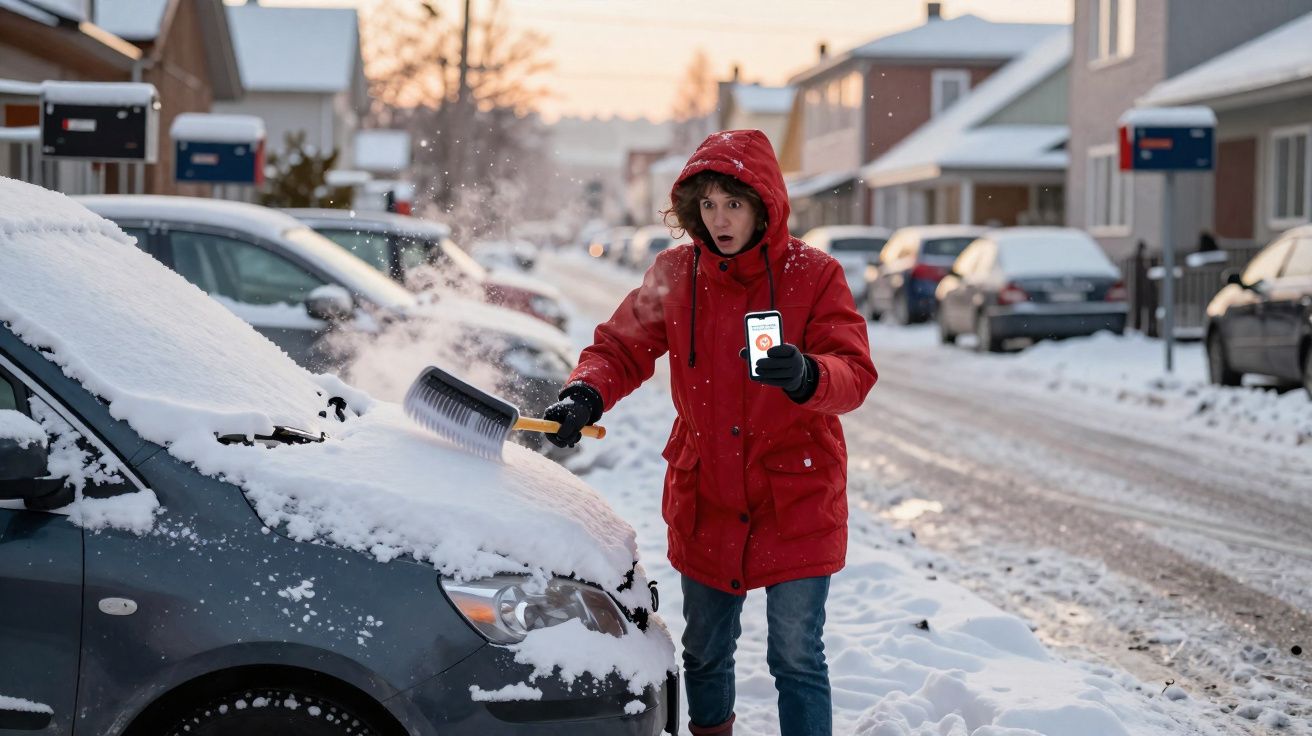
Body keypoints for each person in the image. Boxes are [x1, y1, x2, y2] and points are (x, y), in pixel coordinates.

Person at [543, 129, 877, 735]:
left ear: (764, 207)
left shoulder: (815, 275)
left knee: (796, 656)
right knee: (704, 652)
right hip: (709, 497)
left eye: (734, 204)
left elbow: (854, 370)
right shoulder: (676, 272)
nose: (720, 220)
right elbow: (620, 346)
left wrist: (807, 374)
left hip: (796, 495)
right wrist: (586, 392)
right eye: (709, 205)